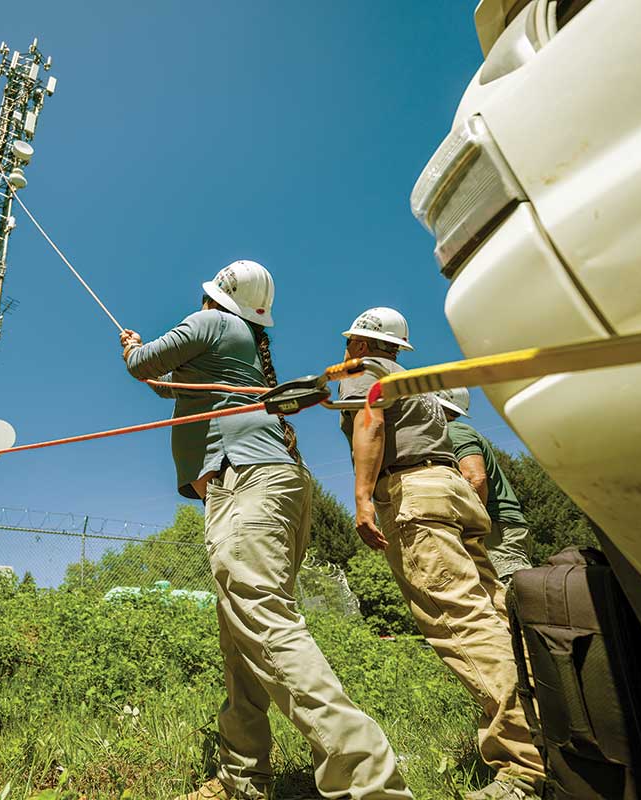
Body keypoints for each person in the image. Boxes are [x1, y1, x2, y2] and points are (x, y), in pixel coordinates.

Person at [121, 261, 410, 800]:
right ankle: (243, 778)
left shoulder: (211, 324)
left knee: (263, 620)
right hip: (273, 485)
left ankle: (370, 785)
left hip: (246, 481)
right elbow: (169, 385)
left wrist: (132, 347)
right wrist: (145, 362)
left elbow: (144, 366)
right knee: (242, 635)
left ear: (218, 297)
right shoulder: (242, 347)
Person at [337, 308, 544, 800]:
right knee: (494, 616)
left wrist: (364, 496)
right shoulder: (420, 386)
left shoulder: (363, 372)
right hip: (451, 493)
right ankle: (556, 726)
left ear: (363, 344)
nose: (344, 352)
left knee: (461, 623)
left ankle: (526, 765)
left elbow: (371, 421)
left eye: (349, 343)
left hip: (414, 494)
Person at [434, 387, 533, 584]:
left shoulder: (453, 431)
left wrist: (471, 530)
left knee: (510, 597)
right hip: (495, 528)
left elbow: (474, 478)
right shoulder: (448, 434)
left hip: (496, 531)